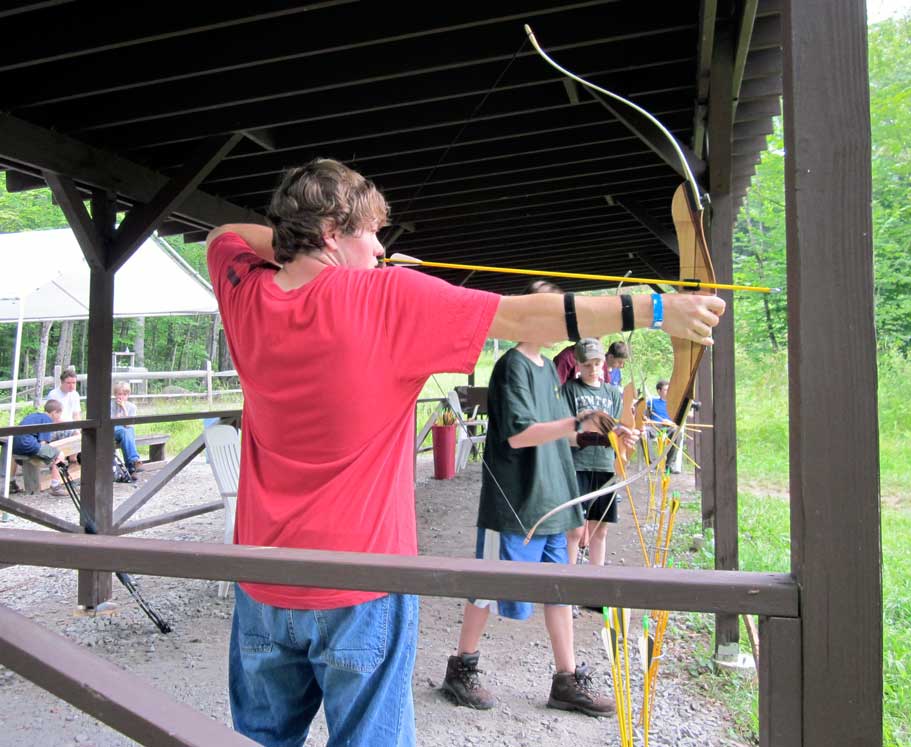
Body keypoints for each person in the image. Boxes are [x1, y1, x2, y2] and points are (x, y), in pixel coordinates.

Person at [205, 157, 725, 747]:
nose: (380, 246)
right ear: (330, 232)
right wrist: (658, 308)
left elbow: (221, 236)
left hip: (261, 582)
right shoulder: (385, 296)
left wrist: (312, 253)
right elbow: (523, 315)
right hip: (359, 582)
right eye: (369, 232)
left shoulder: (245, 293)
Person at [441, 288, 635, 718]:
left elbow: (560, 433)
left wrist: (605, 432)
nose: (565, 322)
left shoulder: (549, 369)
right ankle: (461, 668)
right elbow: (519, 434)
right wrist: (578, 419)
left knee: (558, 589)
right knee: (488, 586)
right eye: (555, 313)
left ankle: (567, 681)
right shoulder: (512, 366)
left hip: (552, 497)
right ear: (532, 316)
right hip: (516, 500)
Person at [563, 339, 623, 571]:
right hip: (577, 465)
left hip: (606, 466)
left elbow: (618, 429)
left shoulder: (612, 393)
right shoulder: (570, 390)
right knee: (575, 529)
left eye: (597, 364)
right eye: (587, 364)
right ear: (578, 364)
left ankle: (595, 581)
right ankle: (568, 578)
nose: (593, 369)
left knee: (601, 528)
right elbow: (565, 430)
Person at [12, 399, 68, 496]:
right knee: (59, 454)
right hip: (28, 445)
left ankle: (11, 482)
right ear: (54, 413)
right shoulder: (47, 420)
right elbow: (43, 443)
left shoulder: (34, 416)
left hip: (16, 446)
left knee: (51, 452)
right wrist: (50, 453)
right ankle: (56, 486)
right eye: (59, 414)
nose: (59, 417)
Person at [111, 382, 143, 474]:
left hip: (126, 431)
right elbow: (110, 424)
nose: (122, 397)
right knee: (126, 432)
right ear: (115, 394)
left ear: (128, 395)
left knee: (127, 433)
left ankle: (131, 469)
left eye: (124, 394)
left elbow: (129, 425)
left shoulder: (132, 407)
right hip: (113, 431)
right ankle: (134, 461)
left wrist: (124, 409)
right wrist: (117, 418)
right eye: (119, 394)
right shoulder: (110, 405)